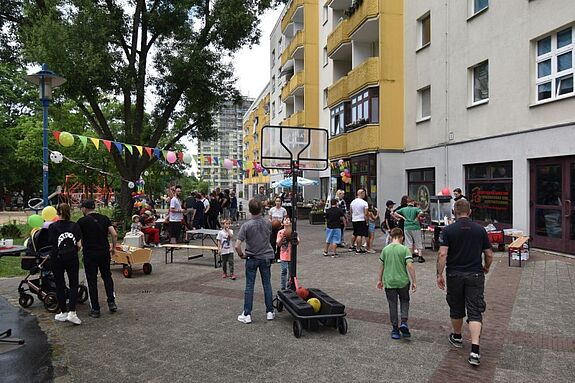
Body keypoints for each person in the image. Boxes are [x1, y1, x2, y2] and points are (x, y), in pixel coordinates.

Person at [436, 199, 493, 366]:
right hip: (475, 274)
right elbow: (489, 254)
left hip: (454, 274)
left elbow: (442, 255)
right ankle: (475, 350)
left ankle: (458, 336)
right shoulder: (480, 230)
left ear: (454, 211)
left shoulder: (448, 230)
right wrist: (486, 267)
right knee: (475, 310)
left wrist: (439, 274)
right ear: (470, 211)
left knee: (456, 307)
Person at [234, 199, 275, 324]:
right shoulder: (268, 223)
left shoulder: (246, 226)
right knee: (267, 284)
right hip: (266, 256)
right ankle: (269, 311)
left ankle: (247, 314)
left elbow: (237, 245)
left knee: (249, 285)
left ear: (250, 210)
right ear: (261, 210)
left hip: (251, 257)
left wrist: (241, 255)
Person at [77, 200, 118, 318]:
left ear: (85, 209)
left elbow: (79, 241)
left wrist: (79, 248)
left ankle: (95, 309)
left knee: (92, 280)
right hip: (104, 252)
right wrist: (113, 248)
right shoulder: (104, 218)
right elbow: (114, 234)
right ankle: (111, 302)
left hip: (90, 253)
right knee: (107, 276)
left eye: (82, 208)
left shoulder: (82, 221)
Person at [377, 228, 417, 339]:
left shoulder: (385, 250)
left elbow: (381, 266)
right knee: (405, 300)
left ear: (391, 237)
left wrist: (379, 280)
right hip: (403, 281)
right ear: (402, 237)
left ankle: (395, 329)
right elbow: (410, 266)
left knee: (392, 304)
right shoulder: (404, 249)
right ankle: (404, 321)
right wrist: (414, 281)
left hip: (389, 282)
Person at [49, 203, 83, 325]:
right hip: (71, 257)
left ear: (57, 213)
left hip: (57, 258)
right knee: (73, 284)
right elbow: (79, 244)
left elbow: (52, 242)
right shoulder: (75, 226)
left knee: (59, 284)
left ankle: (63, 311)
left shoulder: (52, 227)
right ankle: (72, 312)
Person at [394, 199, 426, 263]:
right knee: (418, 241)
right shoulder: (415, 209)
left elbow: (395, 213)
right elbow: (421, 212)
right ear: (412, 203)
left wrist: (403, 217)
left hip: (407, 227)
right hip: (415, 227)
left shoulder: (404, 209)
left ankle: (410, 257)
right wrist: (417, 218)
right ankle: (420, 257)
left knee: (409, 242)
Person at [276, 217, 299, 290]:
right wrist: (282, 237)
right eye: (285, 219)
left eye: (288, 219)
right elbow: (278, 244)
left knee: (291, 272)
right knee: (284, 271)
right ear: (282, 223)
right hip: (283, 255)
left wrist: (293, 238)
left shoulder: (294, 232)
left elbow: (298, 242)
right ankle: (283, 287)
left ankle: (289, 287)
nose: (287, 221)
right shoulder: (280, 232)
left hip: (291, 255)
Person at [349, 188, 369, 254]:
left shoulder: (352, 202)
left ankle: (351, 246)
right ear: (362, 193)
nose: (365, 195)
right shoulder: (364, 203)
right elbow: (366, 213)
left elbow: (351, 211)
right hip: (361, 219)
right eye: (364, 193)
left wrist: (351, 218)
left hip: (354, 219)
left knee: (355, 233)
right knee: (359, 234)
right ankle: (358, 249)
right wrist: (367, 222)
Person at [269, 197, 288, 261]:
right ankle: (272, 256)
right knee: (272, 242)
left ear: (281, 202)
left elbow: (285, 218)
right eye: (277, 201)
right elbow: (270, 218)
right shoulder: (272, 209)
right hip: (273, 227)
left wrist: (283, 223)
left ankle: (278, 256)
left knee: (280, 242)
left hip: (280, 227)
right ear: (275, 202)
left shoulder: (283, 210)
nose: (278, 202)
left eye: (279, 201)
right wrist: (271, 223)